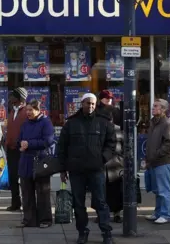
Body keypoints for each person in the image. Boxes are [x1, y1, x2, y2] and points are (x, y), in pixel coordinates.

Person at [58, 93, 116, 244]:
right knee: (79, 203)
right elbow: (62, 148)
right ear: (82, 103)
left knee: (101, 202)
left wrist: (102, 159)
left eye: (92, 104)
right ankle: (82, 232)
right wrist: (62, 170)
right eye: (87, 103)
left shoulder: (104, 122)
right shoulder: (71, 123)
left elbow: (111, 144)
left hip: (96, 170)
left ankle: (106, 232)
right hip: (76, 171)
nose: (90, 106)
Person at [17, 99, 54, 228]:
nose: (28, 112)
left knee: (42, 192)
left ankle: (45, 219)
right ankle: (29, 219)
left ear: (38, 110)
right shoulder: (25, 124)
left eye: (30, 110)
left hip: (41, 160)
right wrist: (20, 144)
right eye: (26, 110)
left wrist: (30, 144)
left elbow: (48, 141)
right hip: (26, 161)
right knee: (26, 193)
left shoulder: (46, 122)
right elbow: (20, 138)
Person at [145, 99, 170, 224]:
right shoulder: (153, 123)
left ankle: (166, 214)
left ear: (163, 109)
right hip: (154, 161)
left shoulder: (167, 124)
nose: (153, 108)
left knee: (164, 190)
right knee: (157, 190)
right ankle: (158, 212)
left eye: (155, 106)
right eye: (153, 106)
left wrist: (156, 154)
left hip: (162, 161)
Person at [93, 120, 124, 223]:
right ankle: (101, 213)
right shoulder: (96, 126)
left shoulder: (117, 129)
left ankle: (117, 213)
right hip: (101, 163)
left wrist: (121, 158)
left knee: (115, 190)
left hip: (115, 164)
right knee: (100, 191)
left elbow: (124, 145)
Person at [5, 87, 28, 211]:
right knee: (12, 177)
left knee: (24, 178)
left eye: (13, 96)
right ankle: (15, 203)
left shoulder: (26, 112)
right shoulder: (11, 111)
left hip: (22, 149)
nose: (10, 98)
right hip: (11, 149)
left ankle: (26, 203)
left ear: (20, 98)